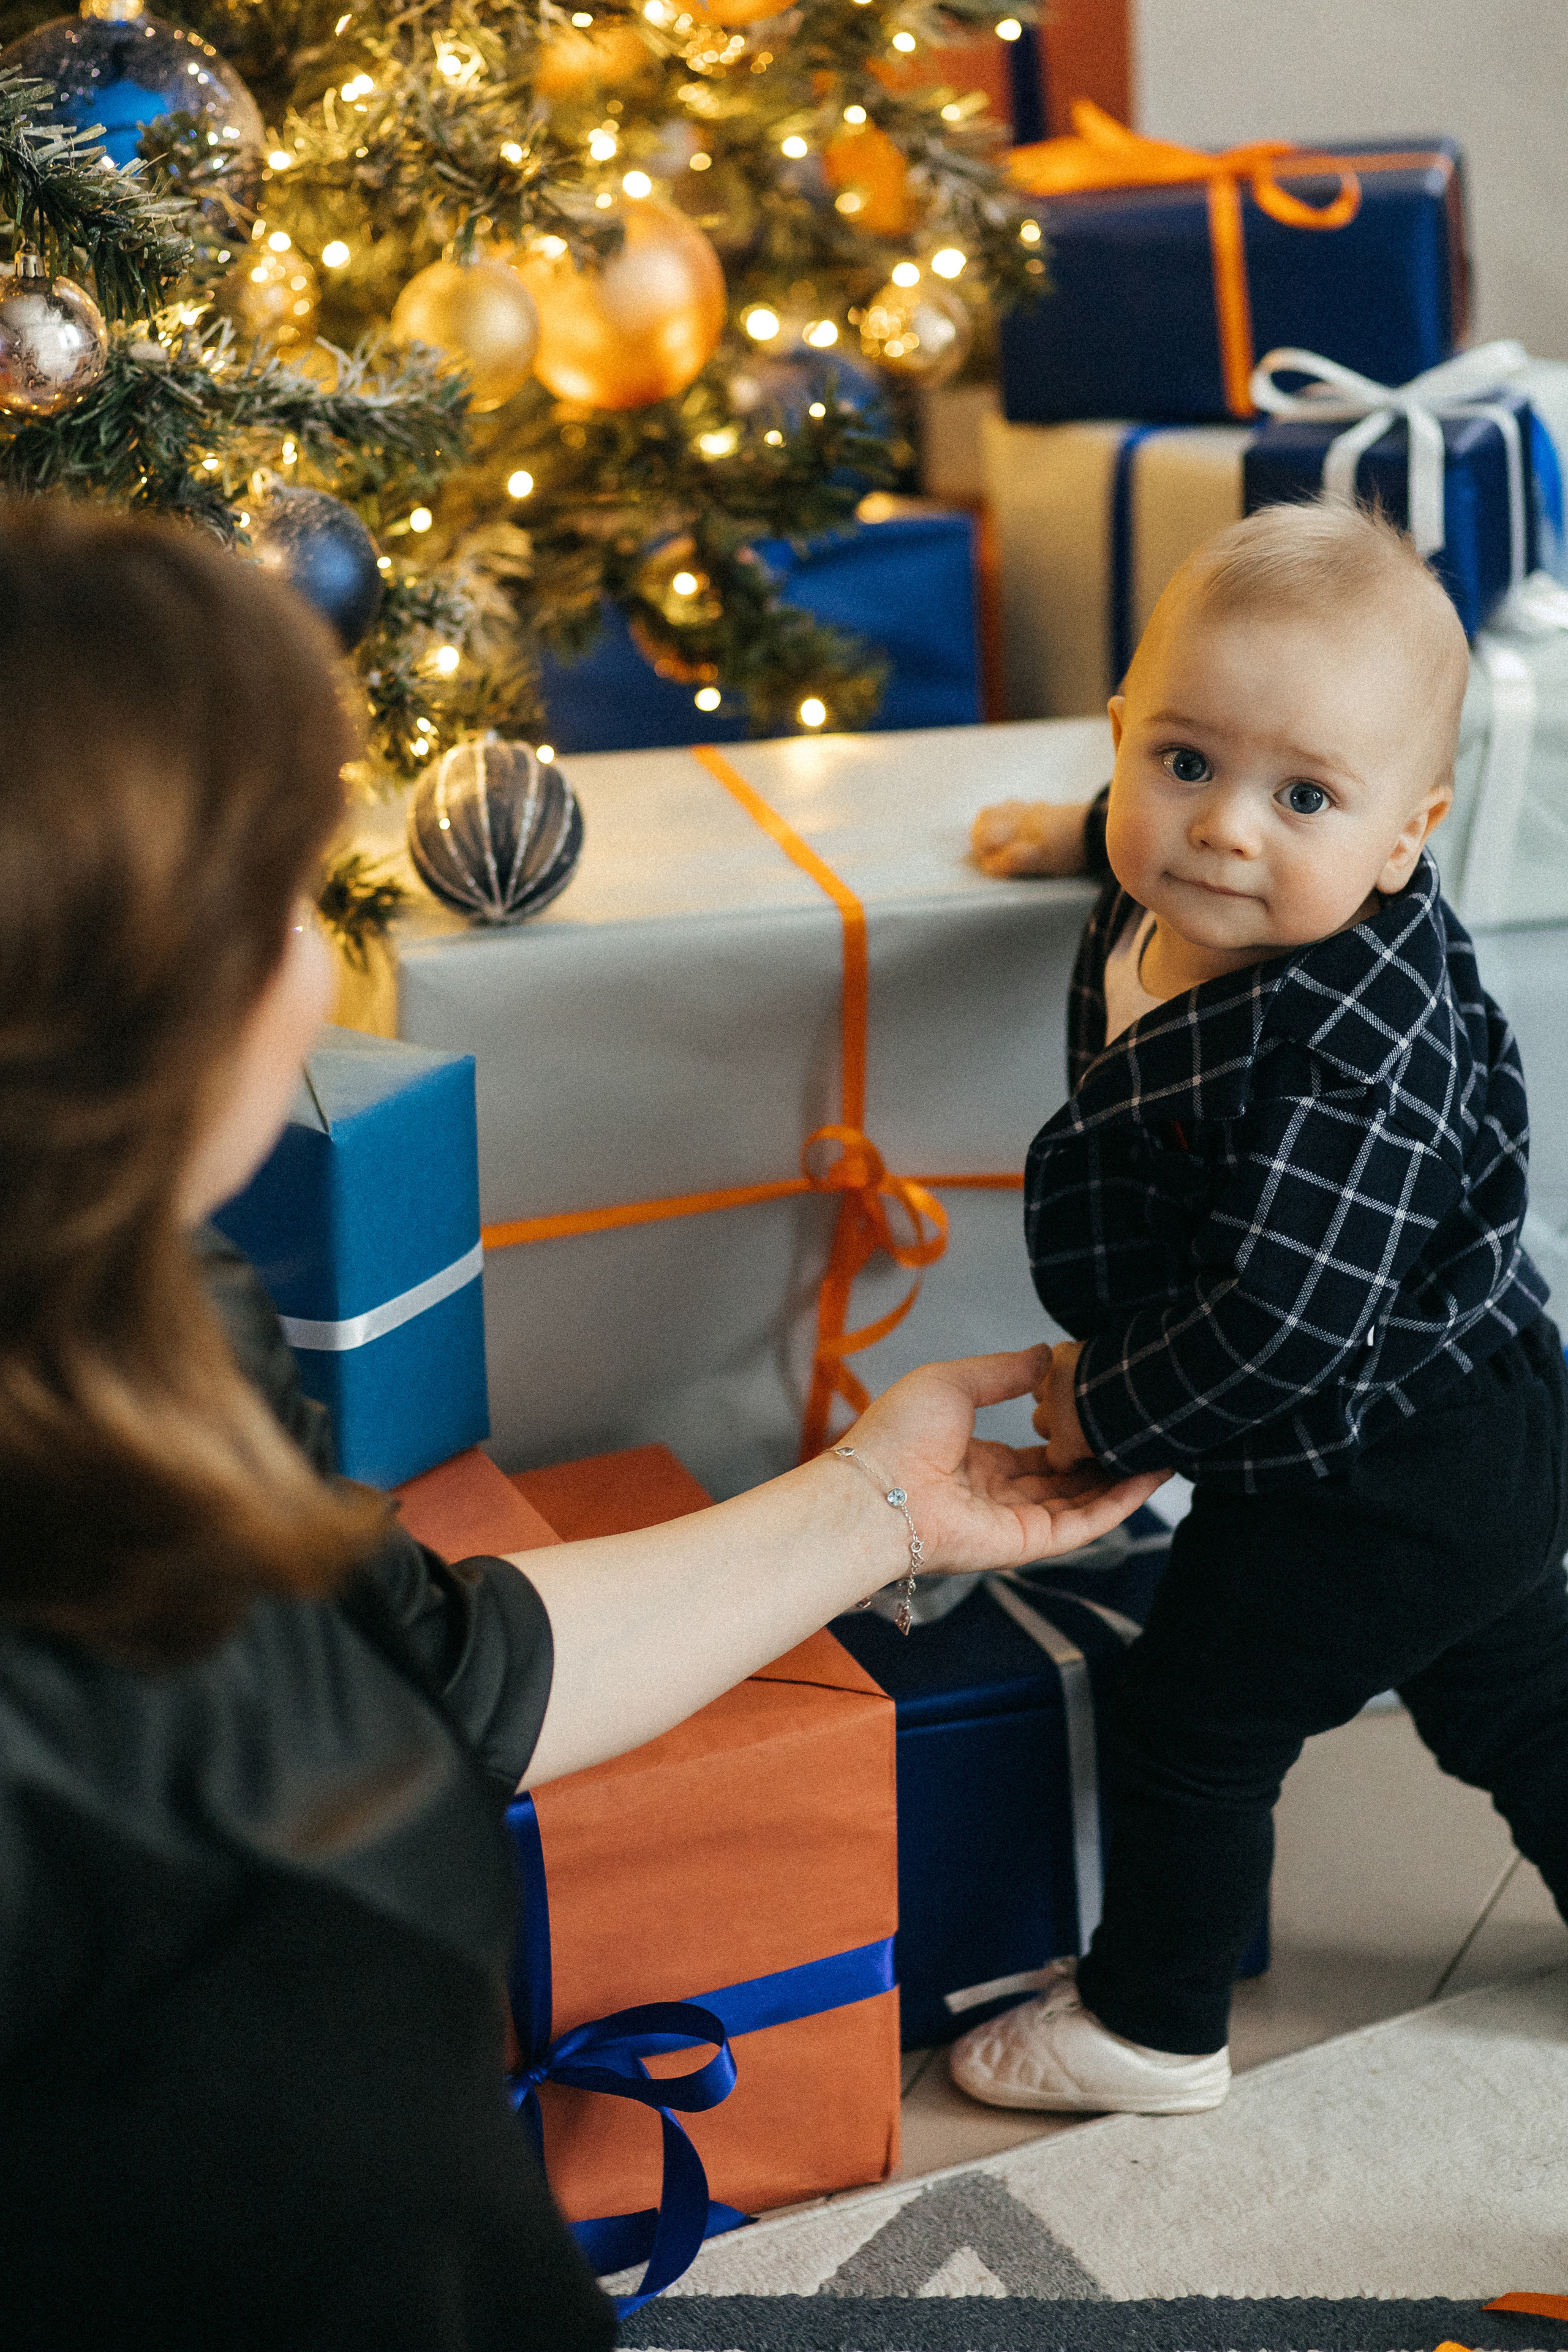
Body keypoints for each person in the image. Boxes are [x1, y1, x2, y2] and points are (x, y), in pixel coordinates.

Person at [0, 500, 1165, 2351]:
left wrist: (885, 1503)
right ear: (112, 1003)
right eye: (286, 904)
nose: (319, 969)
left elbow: (442, 1682)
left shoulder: (152, 1319)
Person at [953, 500, 1568, 2118]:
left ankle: (1154, 2026)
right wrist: (1080, 828)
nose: (1225, 830)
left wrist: (1113, 1408)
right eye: (1181, 765)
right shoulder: (1213, 875)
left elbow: (1286, 1322)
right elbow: (1202, 792)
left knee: (1192, 1717)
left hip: (1386, 1455)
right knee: (1514, 1692)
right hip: (1463, 1427)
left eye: (1304, 794)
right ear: (1125, 739)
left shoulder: (1347, 1063)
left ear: (1406, 836)